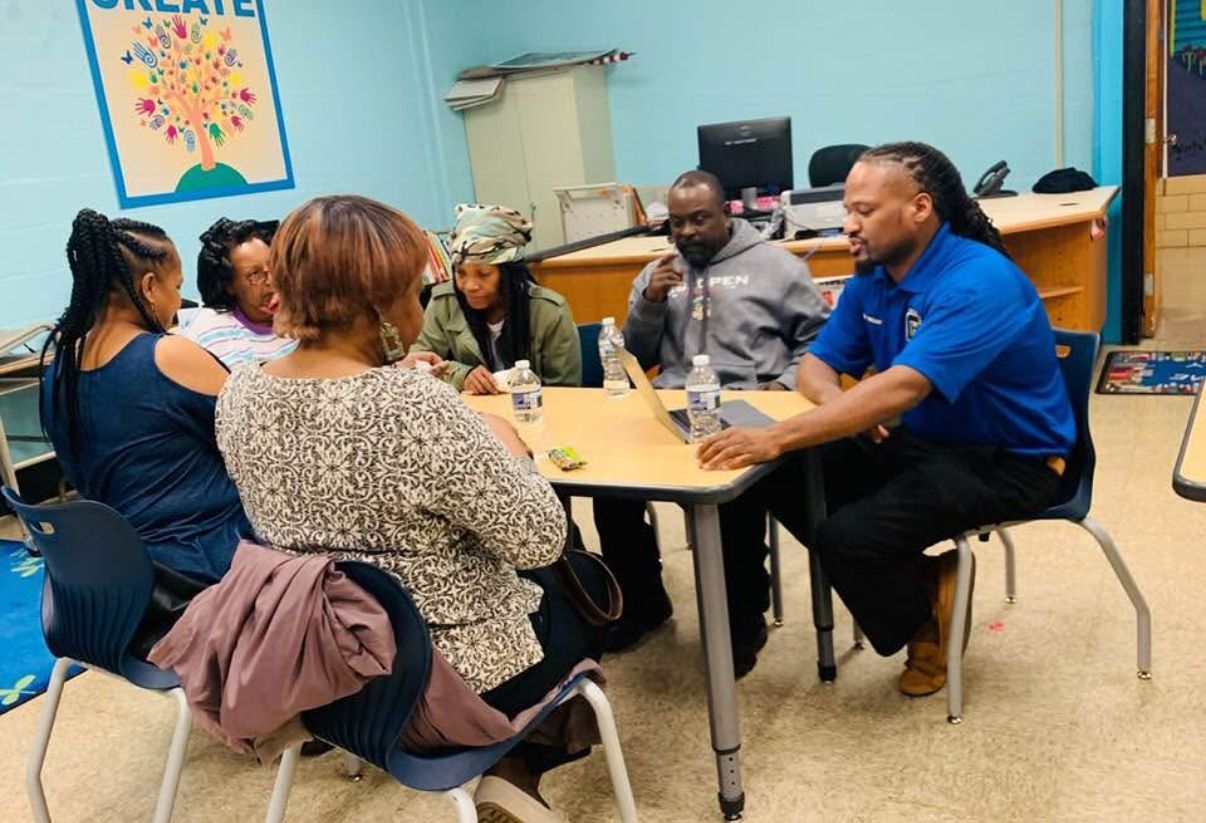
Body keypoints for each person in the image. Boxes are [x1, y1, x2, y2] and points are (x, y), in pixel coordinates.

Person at [215, 195, 611, 822]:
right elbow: (539, 539)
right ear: (378, 302)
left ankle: (508, 775)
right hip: (434, 679)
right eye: (413, 287)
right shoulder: (410, 405)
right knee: (580, 578)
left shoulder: (239, 392)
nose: (421, 301)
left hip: (321, 667)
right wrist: (508, 451)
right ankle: (518, 766)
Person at [696, 142, 1075, 696]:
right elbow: (816, 367)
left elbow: (903, 387)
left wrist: (776, 436)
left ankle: (923, 613)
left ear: (920, 208)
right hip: (927, 444)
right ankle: (923, 578)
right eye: (847, 209)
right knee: (785, 473)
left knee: (845, 538)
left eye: (864, 211)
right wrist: (841, 415)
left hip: (1013, 462)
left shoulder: (979, 281)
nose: (848, 225)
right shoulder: (875, 275)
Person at [597, 170, 831, 675]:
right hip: (671, 409)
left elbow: (820, 342)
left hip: (748, 410)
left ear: (727, 214)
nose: (686, 233)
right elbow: (635, 356)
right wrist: (649, 303)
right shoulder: (658, 271)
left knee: (727, 500)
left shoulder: (776, 267)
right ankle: (643, 604)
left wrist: (782, 386)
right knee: (610, 491)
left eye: (700, 219)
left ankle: (742, 622)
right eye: (677, 223)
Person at [40, 209, 251, 583]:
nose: (178, 302)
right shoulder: (167, 355)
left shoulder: (59, 370)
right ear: (150, 287)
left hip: (119, 572)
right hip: (205, 564)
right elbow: (258, 434)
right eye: (176, 287)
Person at [409, 203, 580, 394]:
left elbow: (566, 391)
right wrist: (462, 376)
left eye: (483, 274)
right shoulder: (445, 303)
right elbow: (416, 365)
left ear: (509, 274)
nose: (470, 285)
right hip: (470, 416)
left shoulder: (549, 311)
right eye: (461, 273)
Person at [181, 218, 297, 367]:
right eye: (255, 274)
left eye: (274, 266)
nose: (271, 281)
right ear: (228, 285)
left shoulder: (302, 314)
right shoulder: (212, 332)